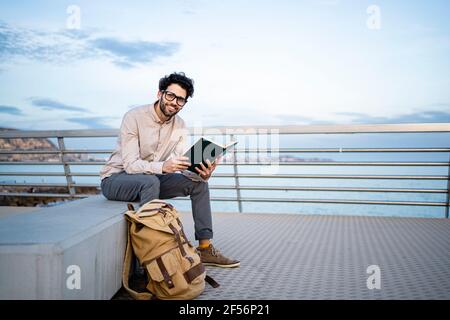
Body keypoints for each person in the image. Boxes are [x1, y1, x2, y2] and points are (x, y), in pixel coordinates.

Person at [100, 72, 240, 268]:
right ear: (160, 94)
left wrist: (202, 172)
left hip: (151, 180)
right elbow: (131, 165)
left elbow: (184, 165)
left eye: (181, 100)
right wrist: (163, 167)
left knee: (198, 184)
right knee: (151, 181)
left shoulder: (180, 125)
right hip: (115, 180)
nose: (174, 102)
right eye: (170, 96)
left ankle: (205, 248)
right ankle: (147, 259)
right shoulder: (134, 117)